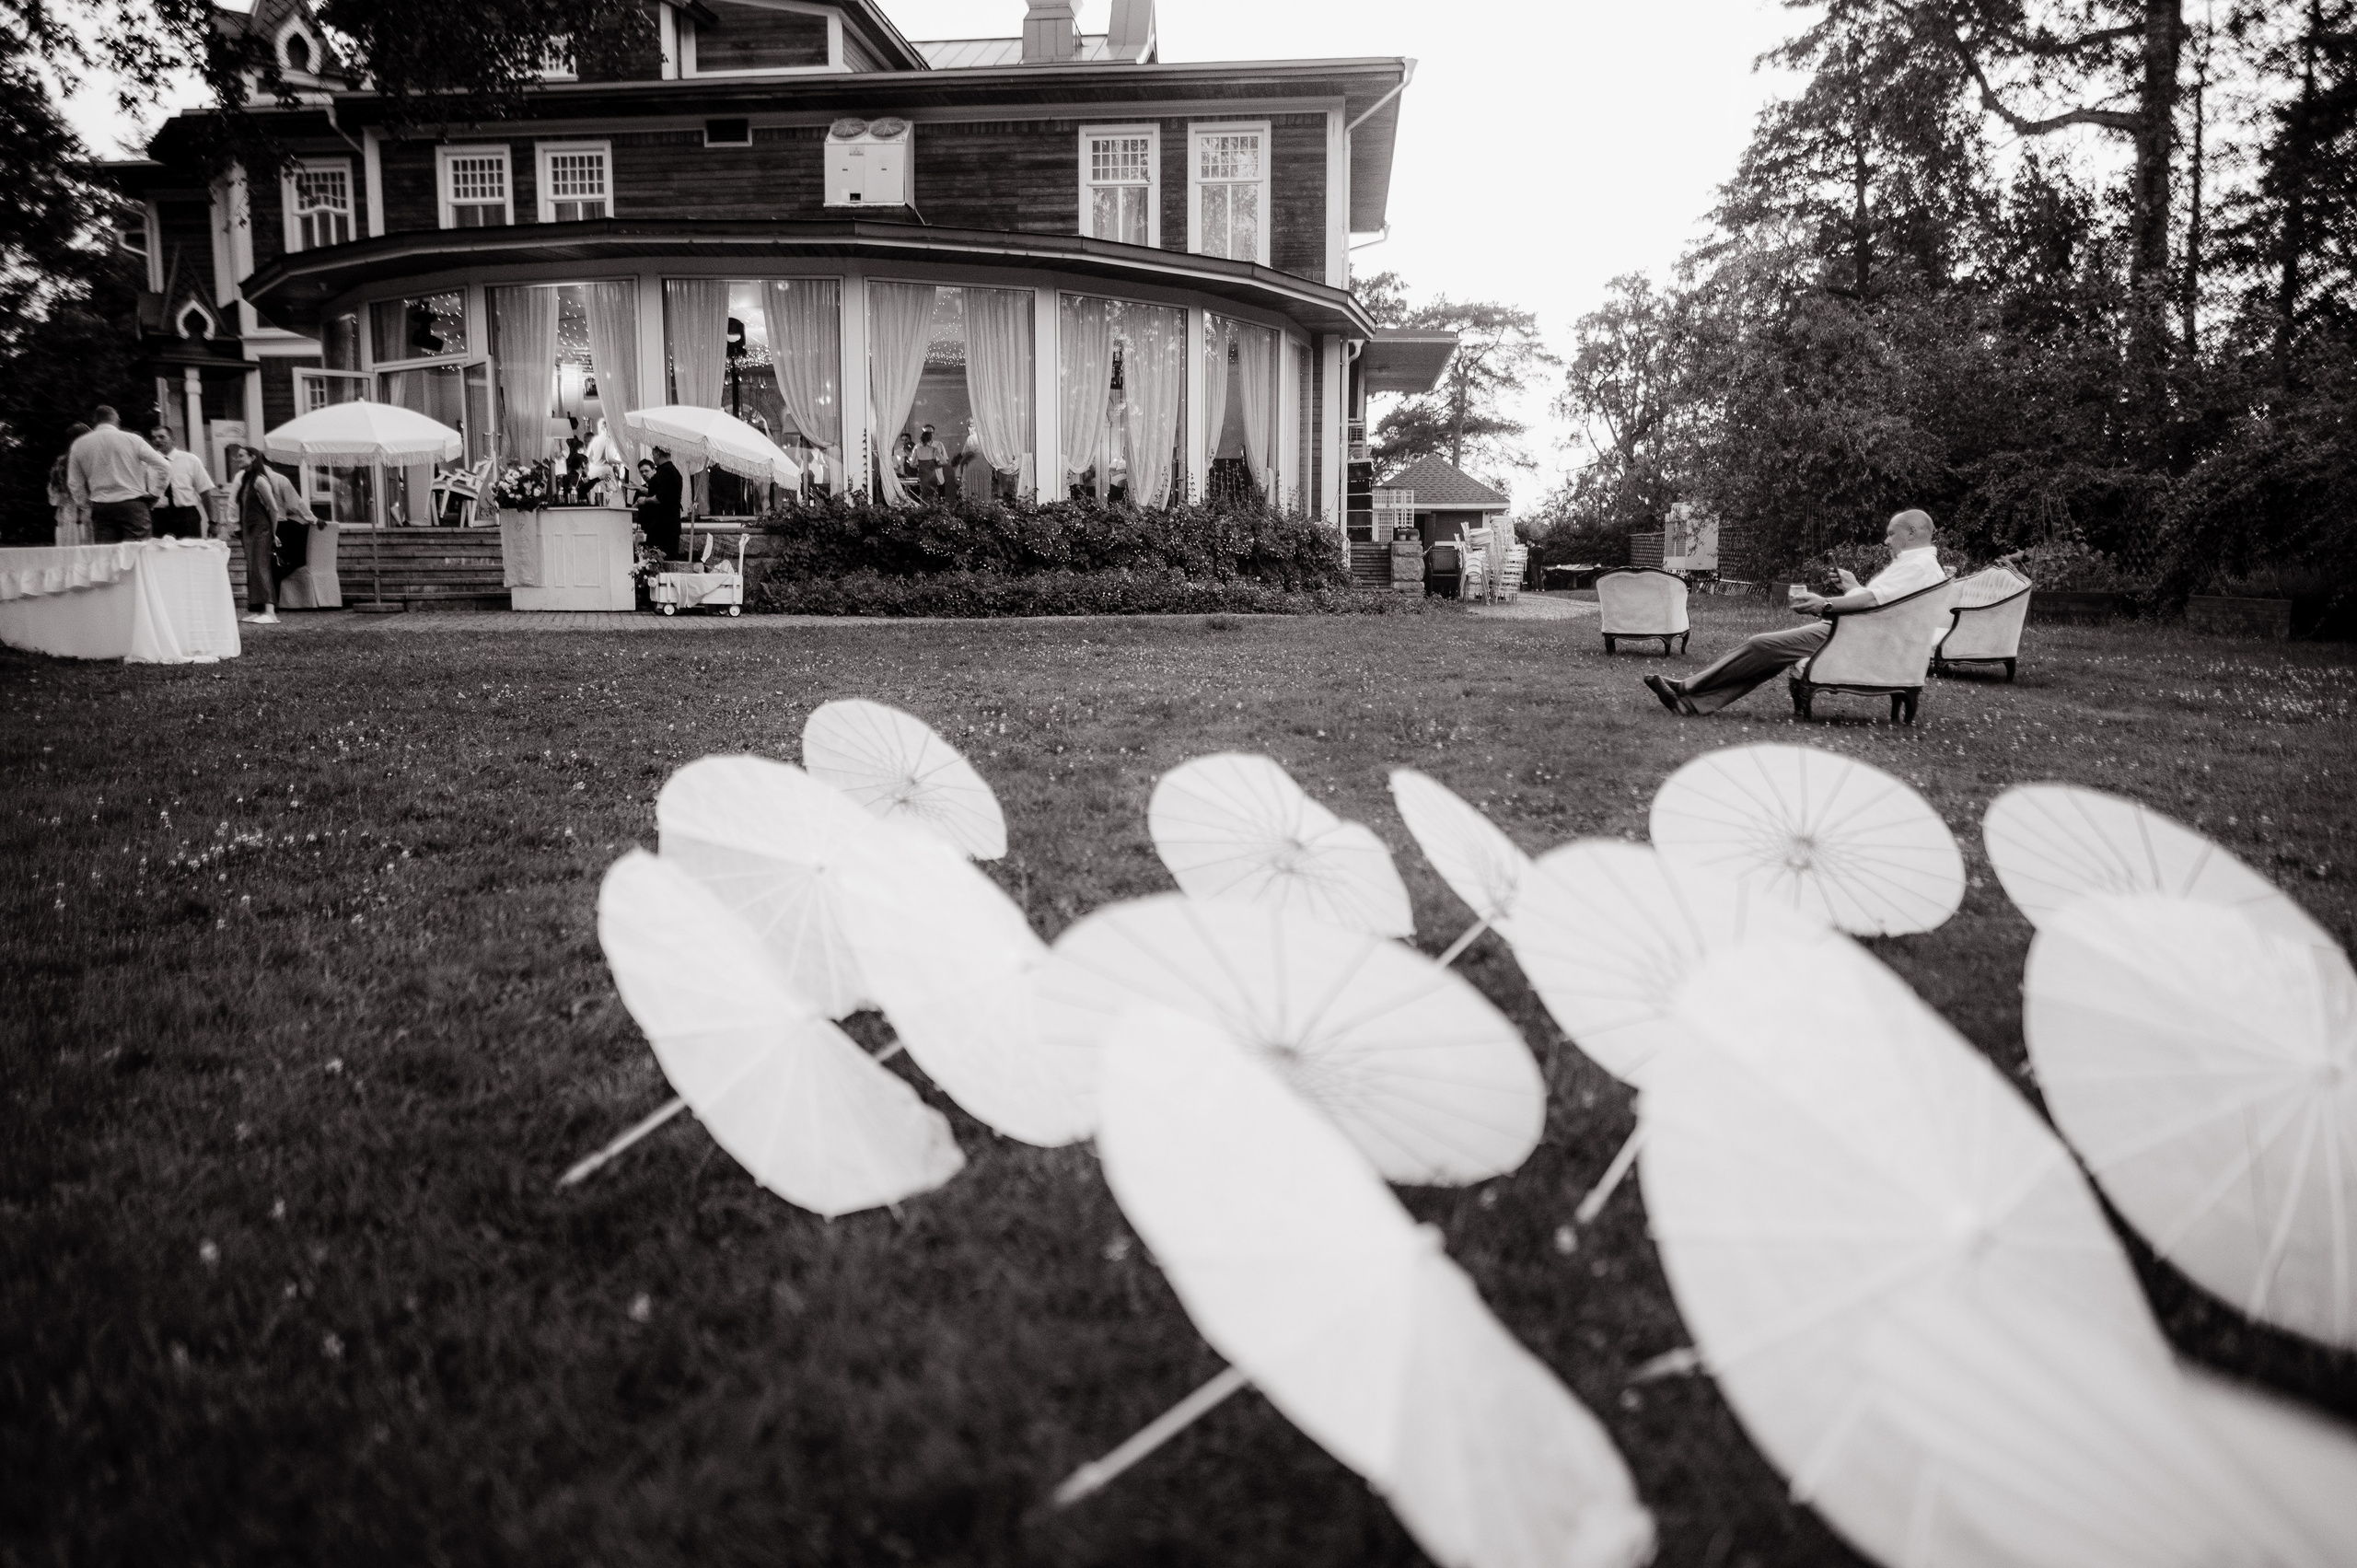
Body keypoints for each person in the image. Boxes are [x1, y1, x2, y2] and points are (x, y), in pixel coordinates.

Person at [1644, 509, 1947, 716]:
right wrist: (1853, 585)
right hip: (1865, 632)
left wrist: (1824, 605)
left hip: (1857, 637)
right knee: (1765, 653)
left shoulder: (1917, 565)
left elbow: (1871, 602)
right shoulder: (1921, 566)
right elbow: (1884, 603)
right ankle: (1689, 704)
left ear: (1911, 533)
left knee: (1761, 645)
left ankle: (1685, 688)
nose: (1886, 541)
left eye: (1891, 534)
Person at [67, 405, 172, 543]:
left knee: (106, 556)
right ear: (116, 420)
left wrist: (86, 504)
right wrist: (155, 494)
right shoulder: (132, 439)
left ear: (95, 421)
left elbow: (74, 483)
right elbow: (164, 466)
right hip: (133, 504)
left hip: (101, 506)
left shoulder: (79, 444)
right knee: (136, 554)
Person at [229, 444, 305, 625]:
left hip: (261, 529)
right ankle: (259, 608)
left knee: (262, 567)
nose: (237, 459)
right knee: (253, 568)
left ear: (253, 457)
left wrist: (273, 531)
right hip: (249, 529)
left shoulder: (260, 480)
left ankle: (270, 611)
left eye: (241, 456)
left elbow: (273, 508)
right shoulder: (246, 479)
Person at [149, 426, 217, 540]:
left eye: (162, 437)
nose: (157, 440)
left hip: (186, 515)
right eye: (154, 438)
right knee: (159, 554)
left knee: (190, 551)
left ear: (173, 438)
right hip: (158, 515)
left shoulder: (191, 460)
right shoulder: (148, 462)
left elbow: (204, 492)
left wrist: (213, 522)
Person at [47, 424, 92, 545]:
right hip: (83, 514)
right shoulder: (85, 460)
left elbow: (54, 494)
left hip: (65, 514)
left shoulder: (60, 461)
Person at [637, 446, 684, 559]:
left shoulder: (666, 471)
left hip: (664, 526)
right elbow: (662, 491)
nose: (653, 457)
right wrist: (641, 489)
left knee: (658, 559)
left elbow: (661, 497)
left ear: (658, 453)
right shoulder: (671, 471)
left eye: (652, 454)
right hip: (668, 523)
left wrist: (644, 500)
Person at [911, 424, 950, 503]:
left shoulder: (939, 445)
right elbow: (913, 463)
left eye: (931, 432)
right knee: (928, 499)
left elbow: (945, 461)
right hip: (925, 477)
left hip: (937, 476)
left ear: (934, 433)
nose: (929, 434)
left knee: (937, 499)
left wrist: (932, 465)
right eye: (927, 432)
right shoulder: (917, 447)